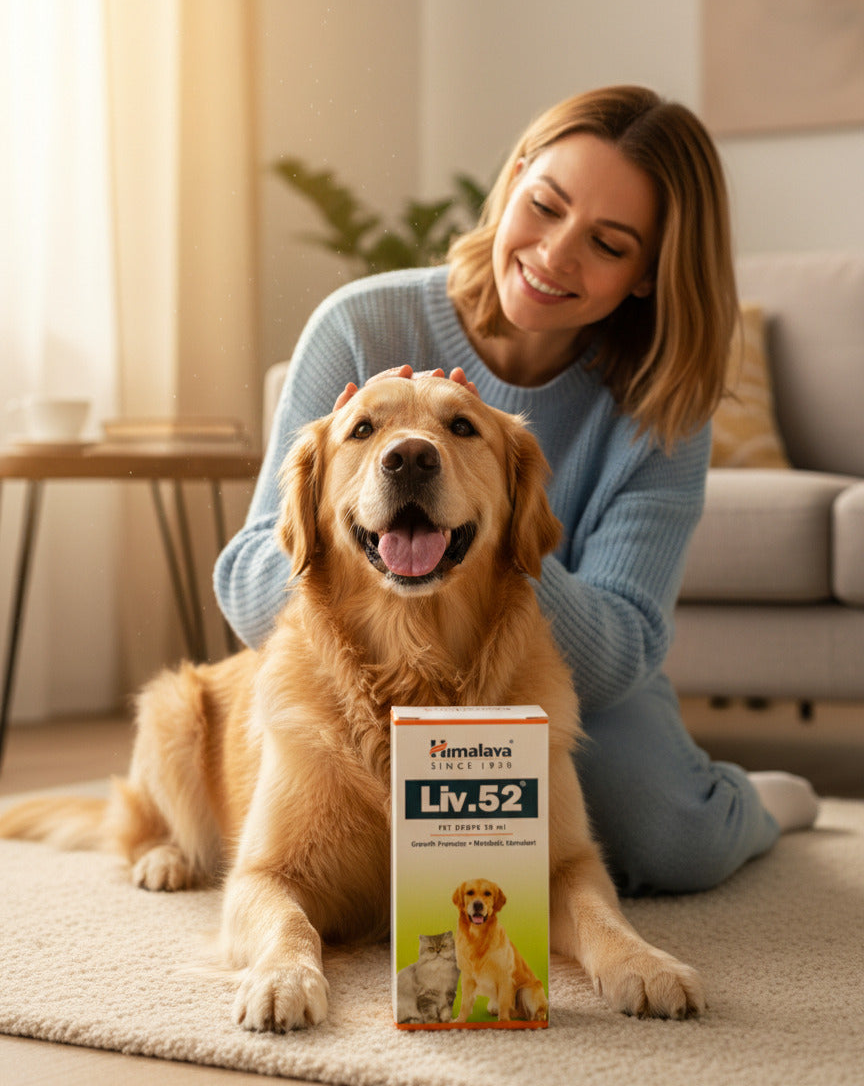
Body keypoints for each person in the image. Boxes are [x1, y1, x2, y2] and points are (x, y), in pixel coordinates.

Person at [214, 84, 818, 895]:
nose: (556, 255)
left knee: (672, 840)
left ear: (648, 273)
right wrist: (348, 488)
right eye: (545, 206)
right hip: (372, 667)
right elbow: (247, 585)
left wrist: (498, 518)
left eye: (607, 243)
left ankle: (757, 802)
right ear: (516, 179)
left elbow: (623, 651)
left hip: (557, 674)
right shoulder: (359, 325)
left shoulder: (664, 403)